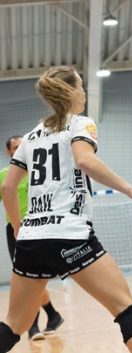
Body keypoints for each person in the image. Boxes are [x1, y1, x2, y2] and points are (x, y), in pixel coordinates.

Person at [0, 66, 132, 353]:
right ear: (71, 92)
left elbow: (8, 187)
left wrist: (18, 228)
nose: (84, 92)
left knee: (13, 326)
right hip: (70, 235)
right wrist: (131, 189)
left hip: (31, 241)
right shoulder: (81, 124)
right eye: (81, 86)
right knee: (127, 309)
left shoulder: (31, 136)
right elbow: (84, 160)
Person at [0, 136, 65, 342]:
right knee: (28, 277)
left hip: (39, 227)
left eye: (23, 145)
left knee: (33, 278)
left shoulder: (41, 170)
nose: (21, 149)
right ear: (9, 152)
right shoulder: (4, 175)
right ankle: (52, 315)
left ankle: (34, 326)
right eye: (16, 147)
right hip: (15, 230)